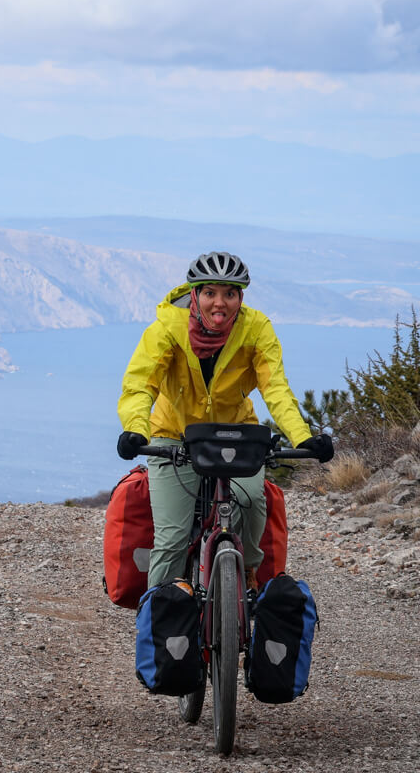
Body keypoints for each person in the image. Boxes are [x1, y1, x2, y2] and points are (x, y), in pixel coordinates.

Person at [116, 251, 333, 592]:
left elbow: (275, 387)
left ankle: (246, 571)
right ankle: (158, 614)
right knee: (171, 539)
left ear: (240, 298)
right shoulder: (167, 328)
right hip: (174, 435)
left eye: (230, 293)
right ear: (195, 295)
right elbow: (141, 384)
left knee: (252, 501)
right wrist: (135, 429)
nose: (220, 303)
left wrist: (302, 437)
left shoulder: (256, 328)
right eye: (210, 293)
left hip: (236, 434)